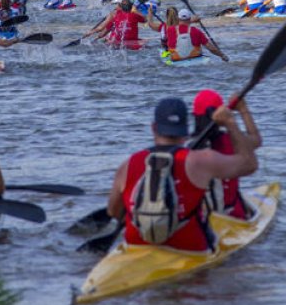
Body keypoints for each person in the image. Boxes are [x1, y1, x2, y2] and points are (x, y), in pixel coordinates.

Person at [106, 97, 259, 251]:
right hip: (189, 247)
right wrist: (230, 124)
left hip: (137, 245)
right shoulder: (201, 160)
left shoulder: (127, 164)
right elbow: (250, 164)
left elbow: (113, 211)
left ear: (153, 128)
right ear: (185, 130)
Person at [190, 90, 261, 219]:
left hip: (200, 218)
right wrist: (243, 109)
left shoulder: (187, 148)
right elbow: (256, 140)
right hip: (233, 215)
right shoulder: (232, 141)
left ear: (194, 115)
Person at [85, 0, 157, 49]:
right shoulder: (135, 15)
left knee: (108, 31)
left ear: (121, 7)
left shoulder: (114, 15)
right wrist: (137, 11)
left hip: (116, 41)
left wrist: (91, 32)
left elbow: (102, 29)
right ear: (131, 8)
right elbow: (146, 19)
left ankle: (97, 39)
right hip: (131, 40)